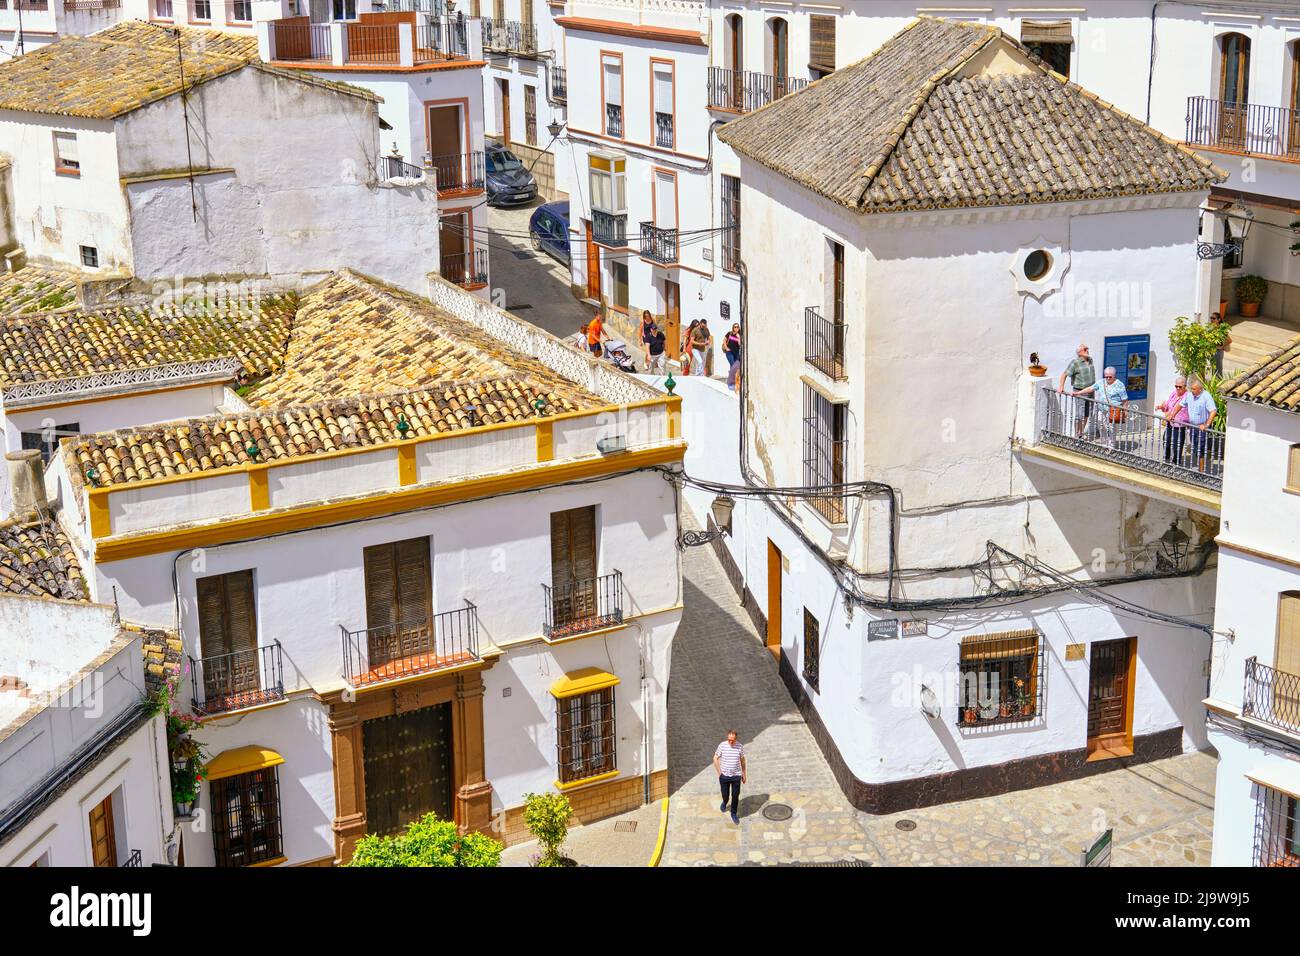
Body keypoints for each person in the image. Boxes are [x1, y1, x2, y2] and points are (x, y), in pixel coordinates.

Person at [1177, 376, 1219, 473]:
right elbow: (1180, 404)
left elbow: (1213, 411)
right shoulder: (1189, 395)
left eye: (1194, 389)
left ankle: (1201, 472)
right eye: (1191, 388)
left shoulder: (1206, 396)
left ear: (1200, 389)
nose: (1192, 391)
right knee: (1195, 447)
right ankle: (1200, 467)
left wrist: (1206, 424)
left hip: (1201, 428)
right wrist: (1172, 415)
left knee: (1200, 449)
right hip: (1193, 427)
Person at [1057, 343, 1096, 438]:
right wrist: (1061, 387)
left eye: (1087, 348)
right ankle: (1076, 434)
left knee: (1087, 413)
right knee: (1079, 414)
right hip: (1080, 391)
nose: (1087, 350)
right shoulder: (1075, 362)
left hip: (1090, 391)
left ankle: (1081, 433)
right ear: (1079, 352)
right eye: (1085, 349)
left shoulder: (1090, 360)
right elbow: (1064, 374)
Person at [1088, 366, 1128, 449]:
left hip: (1113, 410)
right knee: (1101, 424)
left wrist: (1125, 411)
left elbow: (1125, 400)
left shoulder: (1119, 385)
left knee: (1111, 428)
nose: (1108, 378)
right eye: (1106, 376)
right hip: (1101, 409)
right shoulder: (1101, 382)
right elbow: (1091, 388)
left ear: (1114, 376)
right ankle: (1104, 442)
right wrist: (1077, 393)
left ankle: (1111, 445)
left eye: (1110, 377)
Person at [713, 729, 747, 825]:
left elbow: (743, 761)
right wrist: (720, 772)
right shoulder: (722, 745)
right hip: (724, 776)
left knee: (735, 796)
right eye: (729, 739)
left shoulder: (740, 747)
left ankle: (733, 813)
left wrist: (744, 774)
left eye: (732, 740)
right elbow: (715, 758)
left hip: (736, 776)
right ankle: (725, 801)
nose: (730, 741)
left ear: (736, 739)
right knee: (725, 794)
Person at [1157, 375, 1190, 465]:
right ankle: (1166, 458)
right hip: (1170, 422)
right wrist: (1161, 407)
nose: (1178, 388)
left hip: (1180, 424)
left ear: (1185, 386)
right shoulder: (1174, 393)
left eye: (1180, 387)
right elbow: (1167, 404)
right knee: (1166, 440)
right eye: (1176, 386)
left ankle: (1177, 461)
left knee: (1177, 444)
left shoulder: (1187, 396)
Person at [1209, 312, 1231, 378]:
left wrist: (1220, 347)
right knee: (1214, 370)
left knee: (1218, 371)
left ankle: (1219, 386)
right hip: (1213, 352)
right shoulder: (1212, 328)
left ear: (1218, 319)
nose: (1212, 320)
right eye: (1211, 318)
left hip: (1218, 352)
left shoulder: (1221, 329)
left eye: (1214, 318)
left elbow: (1229, 340)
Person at [724, 323, 741, 390]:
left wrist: (739, 337)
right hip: (729, 352)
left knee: (734, 367)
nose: (736, 328)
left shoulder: (740, 335)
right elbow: (724, 340)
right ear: (733, 327)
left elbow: (740, 344)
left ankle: (731, 381)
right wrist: (726, 348)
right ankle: (731, 383)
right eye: (735, 327)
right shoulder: (729, 333)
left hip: (736, 353)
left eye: (737, 327)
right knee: (733, 365)